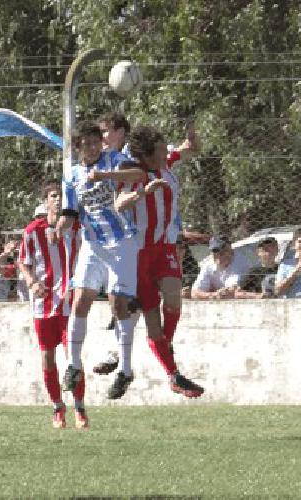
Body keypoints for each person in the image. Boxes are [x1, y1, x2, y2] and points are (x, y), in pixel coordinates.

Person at [96, 125, 205, 398]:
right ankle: (173, 375)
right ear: (145, 156)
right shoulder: (134, 174)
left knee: (173, 298)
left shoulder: (165, 161)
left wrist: (192, 142)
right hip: (139, 253)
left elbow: (188, 151)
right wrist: (141, 193)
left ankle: (165, 346)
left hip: (164, 247)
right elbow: (119, 203)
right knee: (152, 317)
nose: (164, 151)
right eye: (159, 149)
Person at [52, 120, 148, 400]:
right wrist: (60, 225)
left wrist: (105, 175)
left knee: (119, 304)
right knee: (80, 299)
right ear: (78, 147)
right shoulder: (71, 176)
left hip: (122, 242)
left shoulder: (113, 159)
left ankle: (126, 369)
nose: (93, 148)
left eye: (97, 142)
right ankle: (73, 364)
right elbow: (70, 213)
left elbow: (139, 174)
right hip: (93, 245)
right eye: (88, 144)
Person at [18, 181, 88, 428]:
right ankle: (58, 406)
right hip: (43, 303)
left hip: (70, 303)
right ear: (46, 201)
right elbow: (23, 263)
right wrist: (31, 282)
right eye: (54, 196)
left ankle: (80, 407)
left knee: (74, 358)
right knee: (47, 358)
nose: (58, 200)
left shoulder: (78, 228)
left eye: (62, 196)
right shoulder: (32, 231)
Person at [190, 235, 253, 299]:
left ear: (229, 249)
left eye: (222, 250)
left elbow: (230, 292)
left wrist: (208, 293)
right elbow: (194, 293)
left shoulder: (240, 262)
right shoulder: (208, 264)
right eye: (214, 251)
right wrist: (213, 295)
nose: (218, 254)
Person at [274, 228, 301, 298]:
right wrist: (295, 271)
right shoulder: (285, 264)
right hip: (292, 305)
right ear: (293, 244)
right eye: (300, 241)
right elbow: (278, 291)